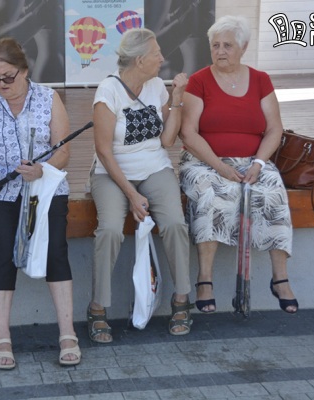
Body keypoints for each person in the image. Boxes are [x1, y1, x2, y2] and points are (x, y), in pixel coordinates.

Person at [0, 37, 80, 369]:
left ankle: (67, 333)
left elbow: (63, 150)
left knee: (56, 250)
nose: (1, 84)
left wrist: (43, 169)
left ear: (25, 71)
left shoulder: (48, 97)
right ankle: (2, 335)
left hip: (44, 188)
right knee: (3, 251)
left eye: (8, 77)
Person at [178, 15, 299, 314]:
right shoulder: (199, 81)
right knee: (212, 194)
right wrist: (219, 167)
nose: (220, 51)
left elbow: (274, 129)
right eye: (215, 45)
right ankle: (205, 279)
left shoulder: (260, 80)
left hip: (253, 160)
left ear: (243, 48)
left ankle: (280, 278)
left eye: (227, 45)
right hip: (205, 161)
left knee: (272, 192)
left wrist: (258, 163)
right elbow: (188, 133)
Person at [88, 28, 192, 343]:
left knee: (175, 224)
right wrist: (132, 194)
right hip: (112, 172)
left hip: (155, 167)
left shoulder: (157, 86)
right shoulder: (108, 91)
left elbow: (167, 140)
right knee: (109, 230)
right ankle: (98, 307)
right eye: (157, 53)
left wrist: (177, 99)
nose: (162, 58)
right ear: (140, 60)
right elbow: (104, 151)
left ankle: (181, 299)